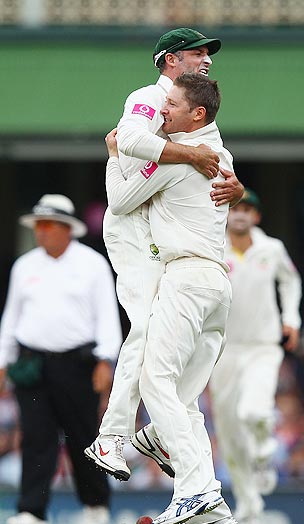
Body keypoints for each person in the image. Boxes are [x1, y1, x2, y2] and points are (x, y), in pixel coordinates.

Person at [85, 28, 243, 478]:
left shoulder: (191, 114)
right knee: (146, 328)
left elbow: (209, 163)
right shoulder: (149, 97)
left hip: (157, 224)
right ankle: (112, 437)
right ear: (169, 60)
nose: (206, 60)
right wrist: (183, 155)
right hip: (131, 224)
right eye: (196, 53)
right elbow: (128, 141)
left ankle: (154, 434)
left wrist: (235, 185)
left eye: (207, 54)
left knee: (179, 342)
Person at [102, 73, 238, 524]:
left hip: (185, 279)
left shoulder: (184, 158)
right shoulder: (219, 153)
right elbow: (230, 178)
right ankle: (210, 509)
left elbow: (119, 201)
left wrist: (116, 154)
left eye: (173, 105)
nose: (162, 110)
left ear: (197, 115)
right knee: (182, 402)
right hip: (216, 286)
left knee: (154, 380)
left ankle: (196, 488)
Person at [0, 194, 122, 524]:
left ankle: (96, 506)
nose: (41, 232)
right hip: (33, 364)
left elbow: (107, 318)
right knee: (36, 438)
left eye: (48, 225)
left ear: (67, 229)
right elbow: (11, 320)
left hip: (78, 364)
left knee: (82, 437)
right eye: (38, 226)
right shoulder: (25, 266)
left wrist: (105, 360)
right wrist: (2, 362)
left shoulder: (92, 264)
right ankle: (32, 511)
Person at [209, 189, 302, 524]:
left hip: (264, 346)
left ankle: (264, 453)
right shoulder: (212, 246)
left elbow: (291, 282)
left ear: (257, 217)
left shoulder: (271, 249)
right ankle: (248, 505)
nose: (240, 214)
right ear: (226, 214)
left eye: (247, 209)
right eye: (234, 208)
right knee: (230, 431)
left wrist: (291, 319)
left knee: (253, 411)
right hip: (224, 350)